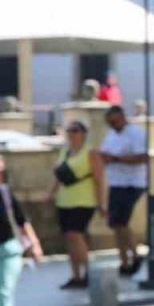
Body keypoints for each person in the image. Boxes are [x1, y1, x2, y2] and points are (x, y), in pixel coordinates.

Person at [1, 155, 43, 306]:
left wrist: (34, 245)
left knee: (3, 293)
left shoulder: (6, 194)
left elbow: (22, 221)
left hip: (9, 250)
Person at [47, 120, 99, 289]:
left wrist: (102, 203)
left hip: (84, 199)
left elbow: (99, 178)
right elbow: (58, 173)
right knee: (69, 239)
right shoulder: (65, 151)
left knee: (75, 234)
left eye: (75, 130)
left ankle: (90, 273)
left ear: (83, 133)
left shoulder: (90, 152)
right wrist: (51, 193)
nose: (71, 134)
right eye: (69, 130)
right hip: (65, 200)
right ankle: (76, 276)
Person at [96, 105, 148, 276]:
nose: (113, 125)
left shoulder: (136, 133)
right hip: (116, 183)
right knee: (115, 223)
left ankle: (135, 254)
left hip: (132, 183)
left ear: (123, 118)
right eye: (110, 122)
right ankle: (124, 261)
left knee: (122, 221)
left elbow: (142, 157)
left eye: (116, 121)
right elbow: (104, 153)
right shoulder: (111, 134)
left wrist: (116, 159)